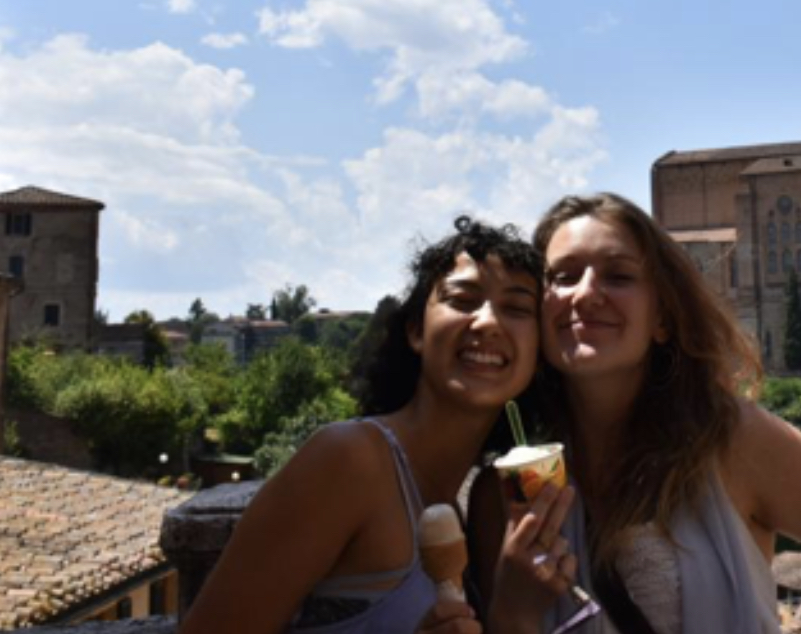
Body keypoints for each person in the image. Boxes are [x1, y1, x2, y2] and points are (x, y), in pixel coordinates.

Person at [471, 193, 801, 634]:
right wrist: (511, 618)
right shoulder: (502, 497)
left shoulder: (737, 442)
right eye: (563, 276)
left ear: (662, 319)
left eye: (619, 276)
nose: (586, 293)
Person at [181, 216, 544, 634]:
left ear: (539, 352)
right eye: (463, 300)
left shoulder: (473, 505)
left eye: (517, 308)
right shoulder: (349, 461)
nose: (488, 322)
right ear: (416, 331)